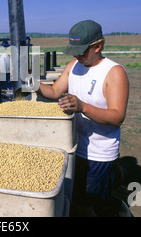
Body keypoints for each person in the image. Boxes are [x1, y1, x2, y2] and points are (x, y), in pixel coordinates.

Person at [37, 20, 129, 216]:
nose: (76, 55)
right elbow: (54, 91)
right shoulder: (73, 66)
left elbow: (117, 117)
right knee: (77, 200)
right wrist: (33, 84)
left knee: (84, 206)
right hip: (74, 148)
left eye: (82, 50)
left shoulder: (114, 73)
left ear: (98, 46)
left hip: (98, 154)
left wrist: (82, 106)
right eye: (74, 50)